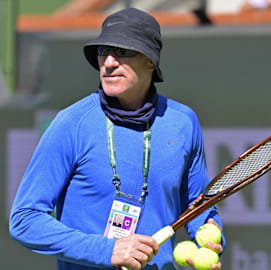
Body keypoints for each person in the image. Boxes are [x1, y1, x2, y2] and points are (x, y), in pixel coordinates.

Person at [9, 8, 225, 270]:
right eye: (103, 52)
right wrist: (107, 250)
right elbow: (24, 219)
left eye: (122, 51)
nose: (108, 62)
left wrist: (211, 233)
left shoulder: (183, 122)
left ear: (150, 61)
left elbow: (197, 206)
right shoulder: (71, 123)